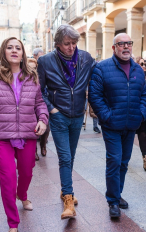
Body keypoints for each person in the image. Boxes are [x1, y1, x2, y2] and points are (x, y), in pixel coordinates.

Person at [0, 37, 48, 232]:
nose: (14, 50)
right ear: (3, 51)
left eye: (18, 48)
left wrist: (43, 119)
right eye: (10, 47)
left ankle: (23, 195)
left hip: (27, 133)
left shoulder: (32, 76)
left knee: (26, 172)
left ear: (23, 53)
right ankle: (13, 224)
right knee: (7, 180)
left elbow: (40, 103)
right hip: (1, 137)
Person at [38, 24, 95, 219]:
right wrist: (51, 109)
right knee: (65, 157)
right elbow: (40, 90)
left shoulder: (86, 58)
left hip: (78, 114)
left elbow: (96, 79)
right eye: (67, 44)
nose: (71, 47)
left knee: (71, 155)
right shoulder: (45, 61)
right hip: (59, 115)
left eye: (74, 43)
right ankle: (68, 199)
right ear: (58, 44)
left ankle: (65, 189)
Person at [89, 33, 146, 218]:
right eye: (121, 44)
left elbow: (144, 95)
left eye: (129, 43)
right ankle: (113, 201)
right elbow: (95, 96)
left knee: (124, 162)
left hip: (131, 124)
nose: (126, 47)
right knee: (114, 161)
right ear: (114, 48)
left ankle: (118, 193)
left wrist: (141, 113)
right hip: (112, 125)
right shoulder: (102, 68)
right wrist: (107, 116)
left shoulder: (138, 69)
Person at [27, 57, 51, 160]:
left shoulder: (41, 76)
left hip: (43, 105)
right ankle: (34, 151)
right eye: (30, 67)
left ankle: (43, 146)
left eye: (34, 67)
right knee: (33, 130)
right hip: (30, 108)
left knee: (46, 129)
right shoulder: (24, 78)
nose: (33, 69)